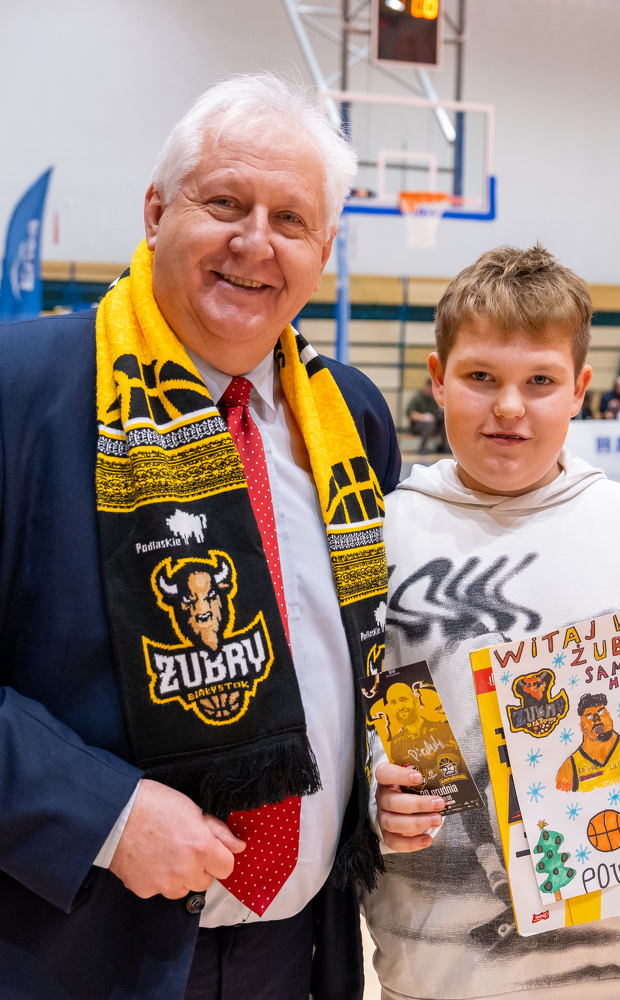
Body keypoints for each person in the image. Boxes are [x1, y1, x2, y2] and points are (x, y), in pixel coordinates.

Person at [0, 73, 401, 1000]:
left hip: (294, 954)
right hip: (69, 948)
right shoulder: (21, 392)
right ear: (155, 211)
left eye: (290, 220)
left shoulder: (349, 417)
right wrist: (101, 815)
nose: (255, 243)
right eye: (224, 203)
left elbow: (358, 667)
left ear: (323, 250)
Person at [361, 244, 620, 1000]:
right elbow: (342, 721)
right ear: (437, 380)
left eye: (539, 381)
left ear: (580, 390)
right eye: (480, 378)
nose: (508, 406)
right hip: (434, 970)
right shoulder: (379, 536)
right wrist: (374, 791)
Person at [556, 692, 620, 792]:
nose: (597, 720)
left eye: (601, 712)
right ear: (583, 727)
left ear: (609, 717)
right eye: (589, 717)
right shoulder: (570, 768)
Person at [407, 377, 448, 454]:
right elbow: (412, 415)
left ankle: (443, 446)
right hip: (417, 426)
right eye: (429, 388)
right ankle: (422, 447)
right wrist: (424, 417)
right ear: (425, 386)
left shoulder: (433, 400)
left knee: (444, 423)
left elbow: (437, 413)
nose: (430, 390)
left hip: (433, 425)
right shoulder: (417, 399)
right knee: (429, 425)